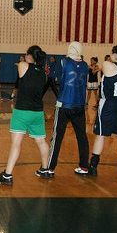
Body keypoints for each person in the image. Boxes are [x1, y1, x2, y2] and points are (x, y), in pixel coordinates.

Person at [0, 46, 49, 185]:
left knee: (16, 143)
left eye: (26, 54)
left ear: (30, 55)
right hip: (37, 112)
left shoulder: (23, 66)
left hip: (22, 111)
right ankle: (45, 169)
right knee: (41, 142)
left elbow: (22, 69)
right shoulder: (44, 74)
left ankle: (7, 174)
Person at [43, 42, 89, 177]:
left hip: (64, 104)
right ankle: (84, 166)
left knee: (57, 136)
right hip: (79, 105)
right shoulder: (85, 65)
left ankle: (50, 168)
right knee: (82, 137)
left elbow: (62, 71)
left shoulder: (64, 61)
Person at [89, 45, 117, 176]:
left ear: (114, 54)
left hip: (109, 104)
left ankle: (93, 166)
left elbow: (102, 66)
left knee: (101, 135)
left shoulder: (109, 65)